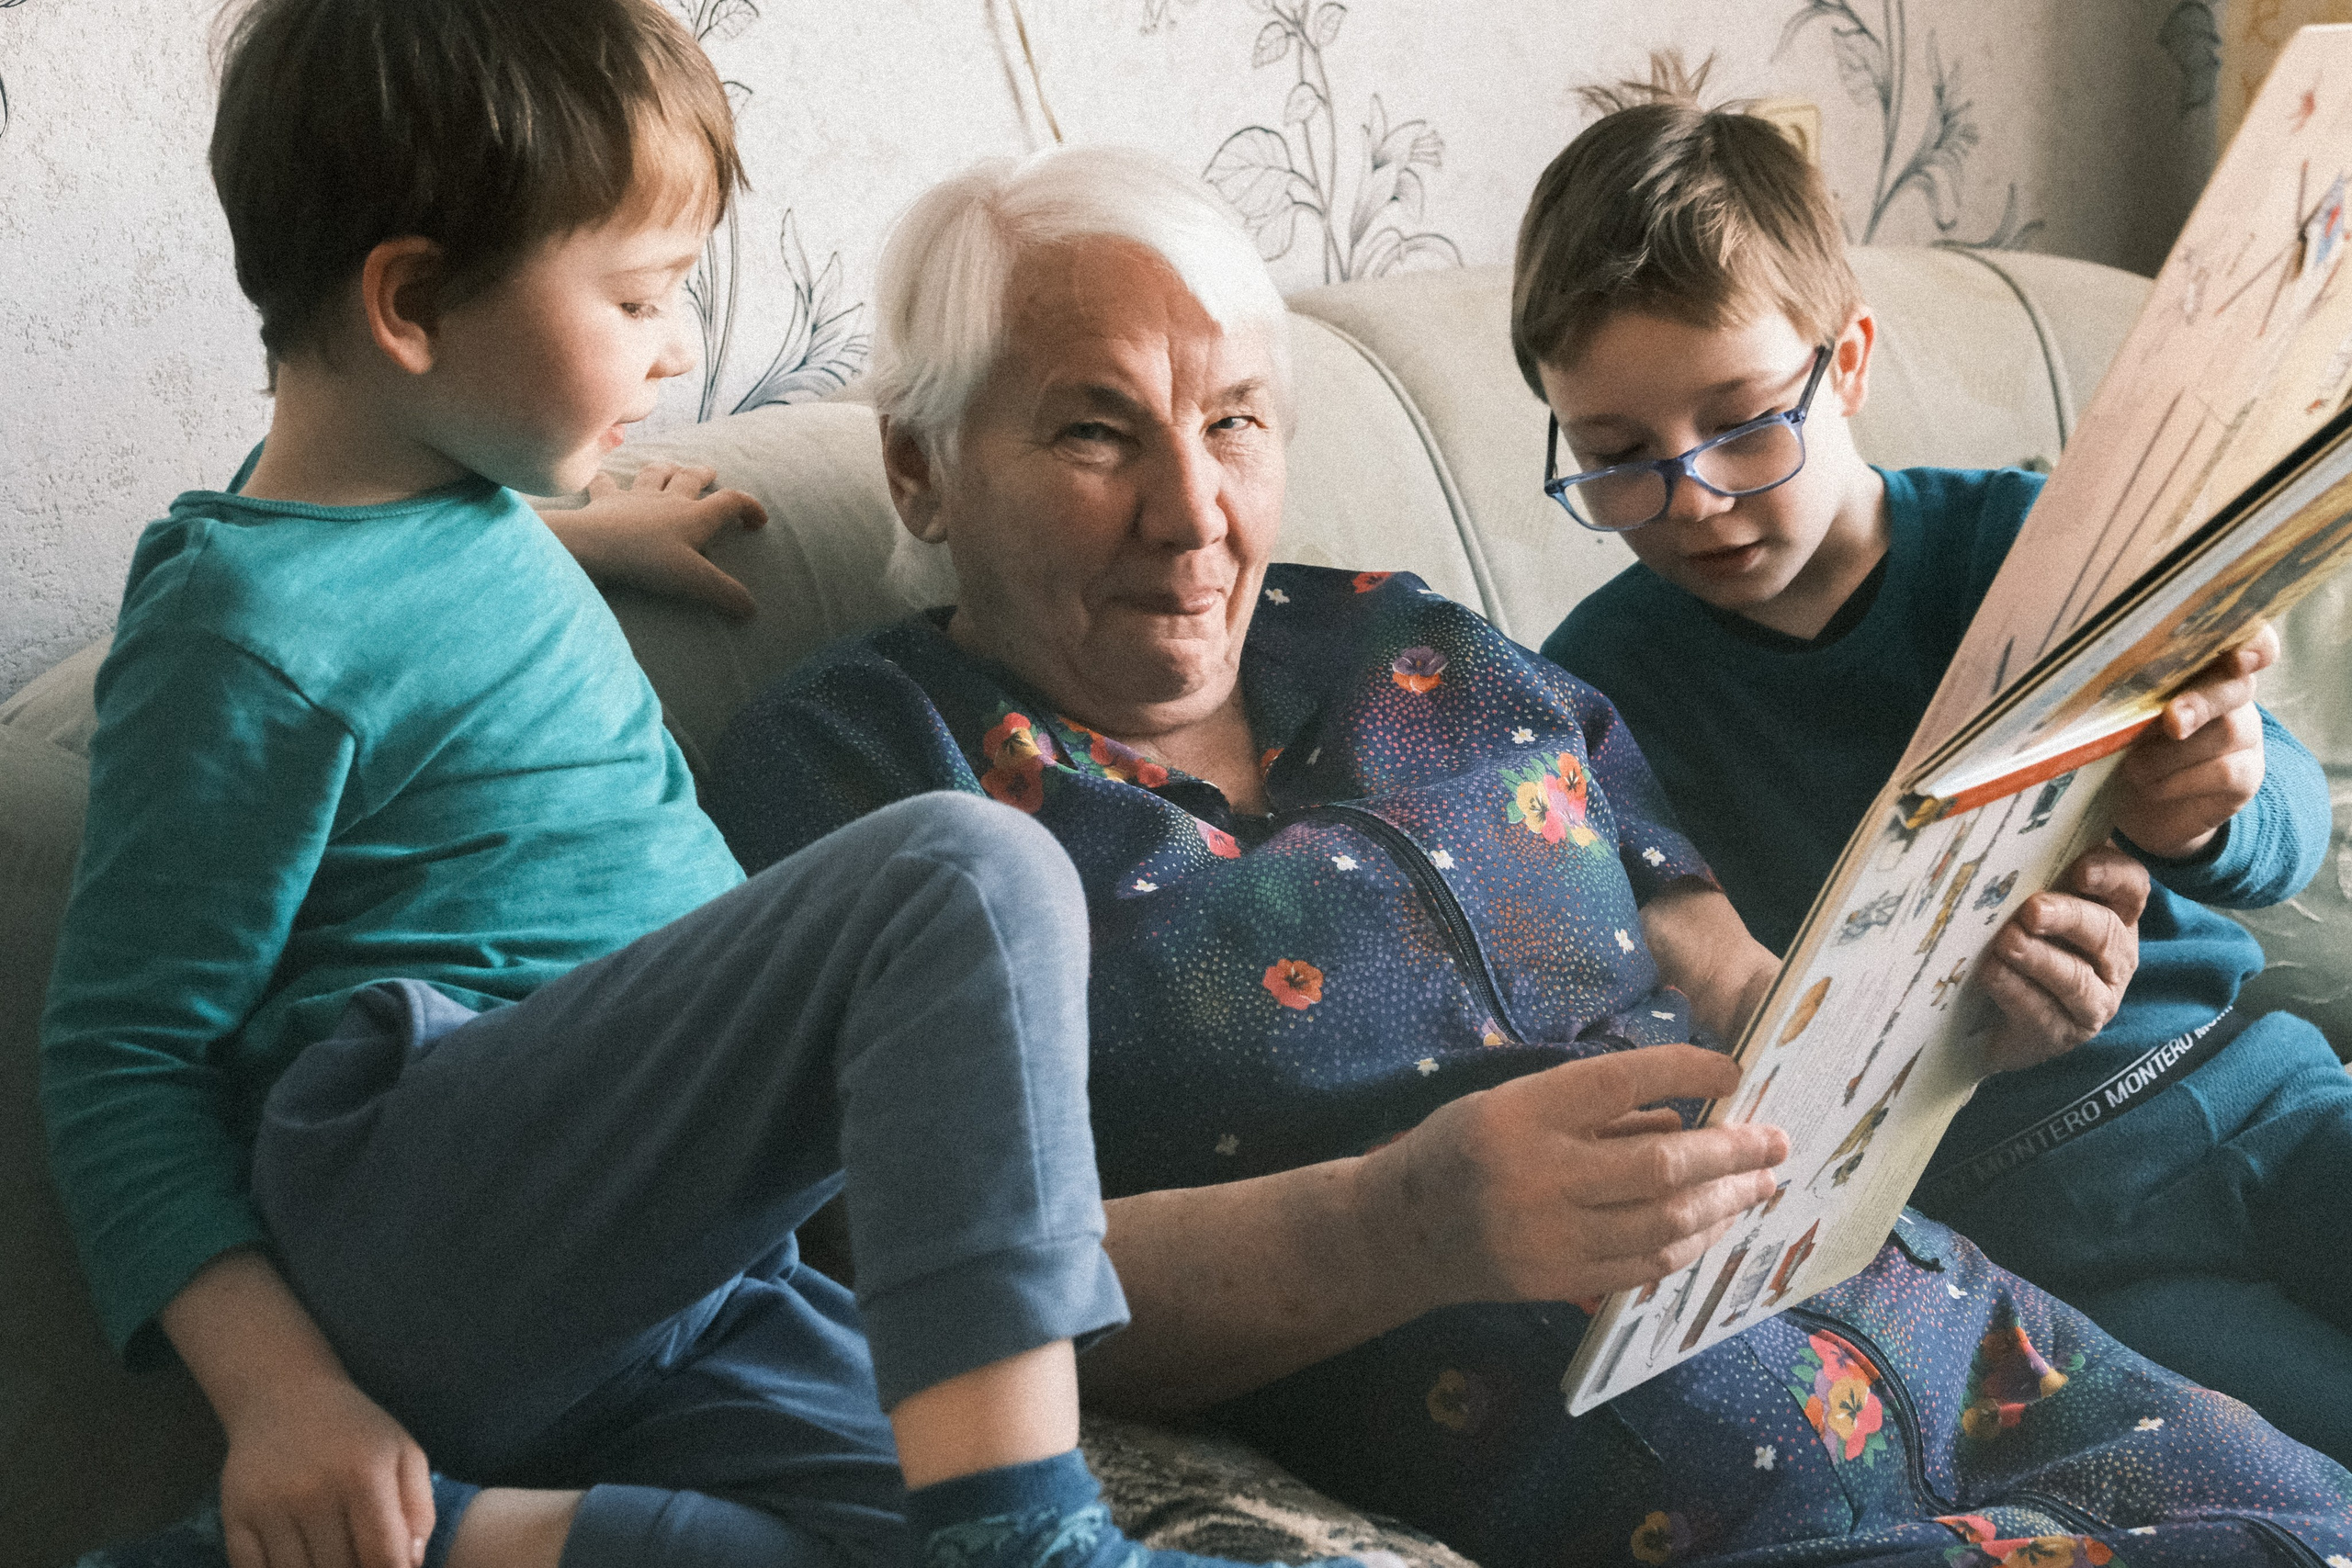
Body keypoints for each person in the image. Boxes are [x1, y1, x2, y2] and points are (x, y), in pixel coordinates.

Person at [709, 144, 2352, 1568]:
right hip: (1674, 1503)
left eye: (1235, 422)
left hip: (1975, 1336)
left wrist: (1949, 1006)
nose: (1193, 512)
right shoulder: (863, 775)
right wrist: (1396, 1223)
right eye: (1094, 434)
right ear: (919, 467)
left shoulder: (1424, 646)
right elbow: (880, 1279)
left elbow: (1732, 979)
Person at [42, 8, 1383, 1568]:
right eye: (635, 296)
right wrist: (286, 1402)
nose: (678, 346)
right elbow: (122, 1064)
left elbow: (397, 569)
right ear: (409, 304)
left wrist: (576, 524)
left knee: (909, 1542)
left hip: (677, 1288)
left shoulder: (454, 510)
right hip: (444, 1227)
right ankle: (1026, 1536)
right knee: (968, 874)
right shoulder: (238, 631)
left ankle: (444, 1543)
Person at [1532, 62, 2350, 1461]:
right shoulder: (1595, 690)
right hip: (2041, 1233)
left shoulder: (2033, 546)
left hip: (2261, 1091)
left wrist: (2214, 798)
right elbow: (1674, 1010)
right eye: (1617, 456)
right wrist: (1942, 1040)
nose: (1695, 498)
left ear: (1846, 360)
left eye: (1740, 422)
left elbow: (2287, 822)